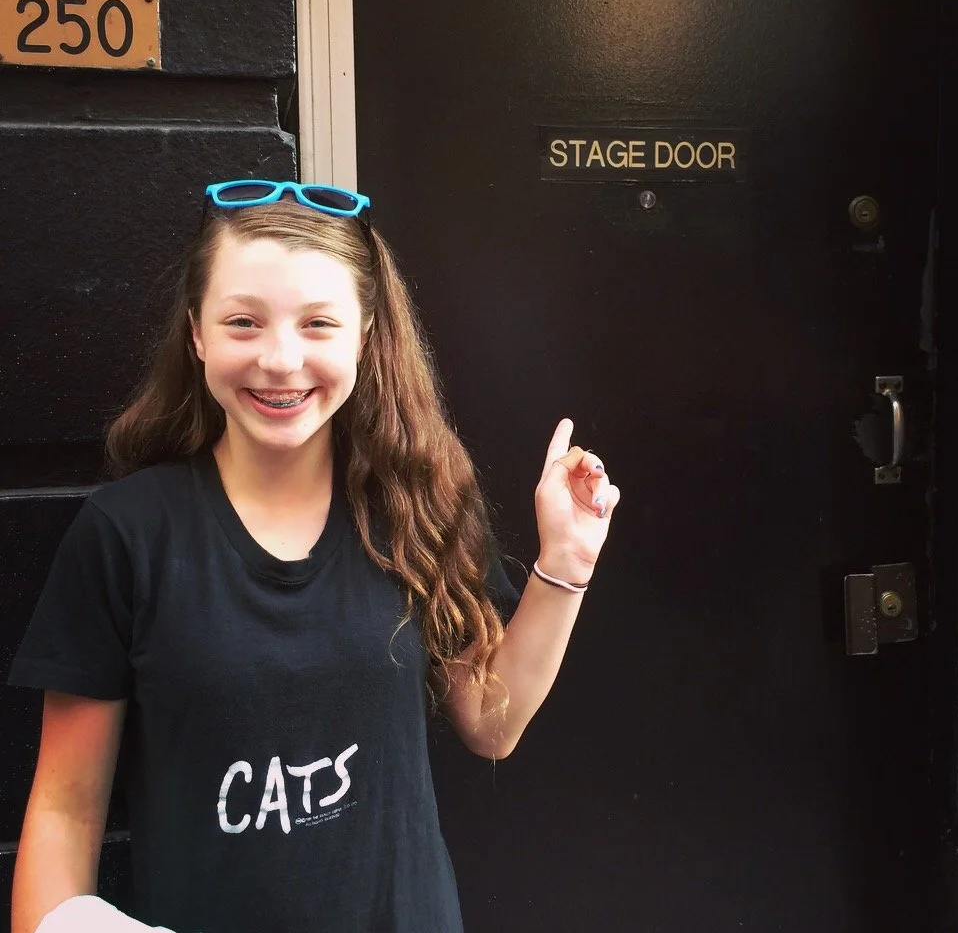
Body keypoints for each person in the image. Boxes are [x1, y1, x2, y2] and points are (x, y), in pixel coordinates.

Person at [8, 180, 620, 933]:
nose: (280, 358)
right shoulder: (126, 534)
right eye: (243, 322)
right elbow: (65, 812)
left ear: (365, 335)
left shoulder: (415, 509)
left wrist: (567, 563)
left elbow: (491, 725)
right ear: (196, 332)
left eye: (318, 324)